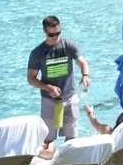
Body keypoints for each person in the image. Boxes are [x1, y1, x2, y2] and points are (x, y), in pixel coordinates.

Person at [26, 15, 90, 152]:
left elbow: (83, 63)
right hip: (49, 100)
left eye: (58, 33)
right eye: (52, 34)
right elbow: (31, 78)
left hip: (70, 97)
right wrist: (48, 87)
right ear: (45, 31)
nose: (55, 37)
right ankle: (49, 161)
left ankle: (67, 160)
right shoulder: (38, 52)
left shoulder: (68, 45)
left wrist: (85, 75)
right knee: (47, 140)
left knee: (72, 138)